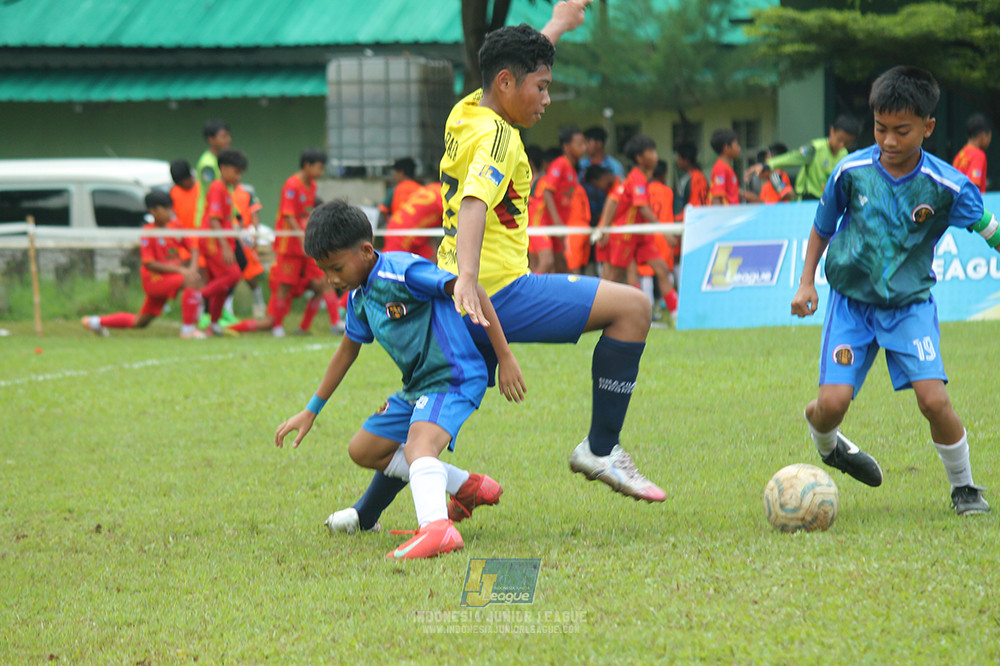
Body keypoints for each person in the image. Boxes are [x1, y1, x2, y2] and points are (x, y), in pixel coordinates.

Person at [327, 0, 665, 536]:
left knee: (423, 417)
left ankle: (366, 515)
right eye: (542, 88)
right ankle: (600, 448)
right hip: (496, 293)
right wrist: (468, 276)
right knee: (635, 308)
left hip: (445, 303)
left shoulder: (466, 112)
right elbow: (474, 204)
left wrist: (556, 26)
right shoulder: (500, 137)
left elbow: (511, 63)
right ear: (507, 84)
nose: (547, 99)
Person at [791, 65, 995, 516]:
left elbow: (989, 229)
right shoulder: (851, 171)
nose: (888, 141)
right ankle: (828, 446)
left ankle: (964, 488)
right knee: (830, 405)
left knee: (934, 399)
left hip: (909, 307)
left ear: (928, 127)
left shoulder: (947, 186)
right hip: (851, 306)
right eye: (881, 128)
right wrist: (807, 283)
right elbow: (821, 227)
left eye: (901, 131)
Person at [274, 200, 526, 559]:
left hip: (453, 377)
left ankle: (438, 530)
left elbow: (473, 289)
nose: (331, 278)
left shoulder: (403, 272)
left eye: (336, 267)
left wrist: (505, 356)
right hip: (418, 387)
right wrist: (311, 410)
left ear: (365, 250)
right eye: (324, 270)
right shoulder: (359, 298)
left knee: (418, 445)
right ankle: (465, 486)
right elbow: (347, 350)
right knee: (364, 449)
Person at [81, 190, 204, 339]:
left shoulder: (176, 226)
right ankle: (188, 330)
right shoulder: (148, 233)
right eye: (165, 209)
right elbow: (150, 263)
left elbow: (193, 247)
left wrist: (192, 268)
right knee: (193, 281)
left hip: (171, 278)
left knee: (140, 322)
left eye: (171, 208)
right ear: (152, 211)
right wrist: (182, 271)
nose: (169, 212)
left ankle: (95, 322)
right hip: (155, 280)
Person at [594, 135, 677, 322]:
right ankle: (596, 314)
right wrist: (664, 230)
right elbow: (641, 207)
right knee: (613, 277)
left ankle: (676, 315)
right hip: (625, 234)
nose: (655, 156)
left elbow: (613, 200)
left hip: (641, 234)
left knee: (662, 269)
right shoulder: (636, 179)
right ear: (640, 158)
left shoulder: (637, 180)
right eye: (651, 152)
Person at [270, 148, 344, 337]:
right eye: (319, 168)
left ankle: (332, 323)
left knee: (322, 282)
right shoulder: (291, 185)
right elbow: (288, 215)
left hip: (307, 245)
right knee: (285, 286)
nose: (321, 172)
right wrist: (301, 236)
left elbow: (307, 213)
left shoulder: (311, 186)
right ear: (307, 165)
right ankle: (277, 326)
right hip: (290, 245)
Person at [199, 148, 246, 336]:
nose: (238, 176)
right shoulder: (217, 187)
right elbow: (213, 219)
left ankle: (214, 324)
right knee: (233, 275)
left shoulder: (226, 189)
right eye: (236, 172)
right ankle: (199, 296)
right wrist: (225, 246)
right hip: (215, 243)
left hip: (221, 242)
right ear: (224, 168)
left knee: (222, 283)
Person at [762, 115, 860, 201]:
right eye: (839, 139)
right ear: (832, 131)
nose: (841, 145)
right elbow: (792, 157)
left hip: (828, 203)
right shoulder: (814, 149)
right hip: (808, 199)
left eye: (847, 143)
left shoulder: (844, 155)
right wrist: (768, 164)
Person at [532, 125, 587, 274]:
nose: (584, 147)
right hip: (542, 220)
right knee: (546, 262)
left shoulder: (573, 170)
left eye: (584, 144)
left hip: (557, 223)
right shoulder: (560, 164)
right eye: (579, 144)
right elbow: (547, 192)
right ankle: (527, 296)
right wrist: (557, 220)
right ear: (566, 147)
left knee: (560, 264)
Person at [381, 182, 443, 261]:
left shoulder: (434, 187)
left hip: (404, 228)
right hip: (400, 235)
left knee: (431, 260)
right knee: (390, 266)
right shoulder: (446, 197)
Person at [193, 118, 232, 229]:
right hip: (210, 220)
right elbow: (212, 193)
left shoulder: (222, 159)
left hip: (222, 217)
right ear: (211, 139)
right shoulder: (207, 164)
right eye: (223, 136)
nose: (228, 140)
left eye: (228, 136)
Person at [952, 113, 992, 194]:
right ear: (983, 135)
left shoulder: (960, 155)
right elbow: (972, 185)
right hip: (971, 205)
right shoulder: (979, 155)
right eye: (989, 136)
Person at [378, 157, 422, 227]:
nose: (395, 175)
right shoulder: (421, 189)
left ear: (401, 172)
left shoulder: (394, 189)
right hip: (417, 230)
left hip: (398, 229)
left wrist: (390, 223)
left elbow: (383, 209)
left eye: (396, 172)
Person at [708, 128, 746, 205]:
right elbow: (717, 197)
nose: (739, 148)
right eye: (736, 145)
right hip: (727, 215)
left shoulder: (727, 168)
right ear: (726, 148)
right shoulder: (720, 168)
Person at [673, 141, 708, 221]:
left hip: (692, 219)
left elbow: (687, 205)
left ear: (686, 160)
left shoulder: (689, 179)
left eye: (679, 158)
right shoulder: (701, 176)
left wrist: (675, 219)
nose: (677, 161)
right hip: (702, 217)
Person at [169, 160, 200, 230]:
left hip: (202, 234)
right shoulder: (174, 192)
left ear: (189, 176)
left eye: (182, 183)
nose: (181, 186)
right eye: (178, 184)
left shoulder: (201, 188)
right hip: (184, 236)